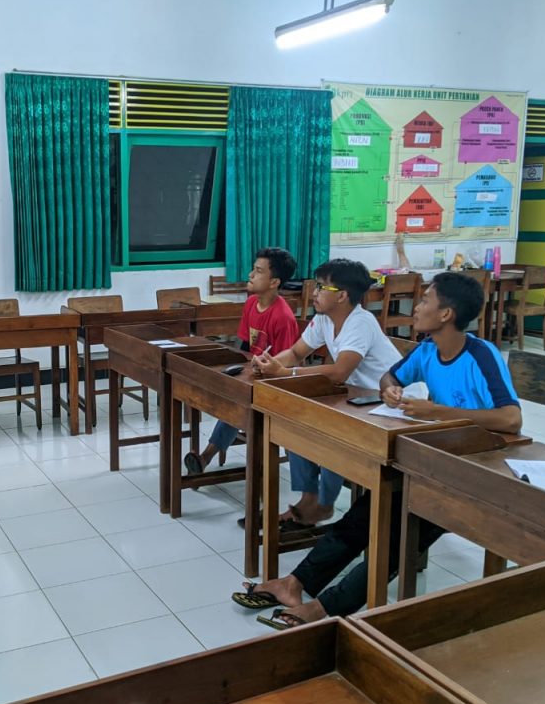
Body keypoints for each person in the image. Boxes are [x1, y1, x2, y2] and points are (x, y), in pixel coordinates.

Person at [234, 270, 521, 627]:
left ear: (446, 314)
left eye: (425, 301)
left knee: (396, 539)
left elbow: (511, 419)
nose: (417, 308)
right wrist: (390, 390)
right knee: (363, 515)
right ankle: (294, 584)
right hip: (435, 459)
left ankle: (324, 609)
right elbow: (391, 375)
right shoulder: (428, 350)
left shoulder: (481, 354)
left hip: (478, 471)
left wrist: (436, 411)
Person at [251, 258, 401, 528]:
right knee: (293, 422)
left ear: (342, 296)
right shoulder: (324, 318)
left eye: (322, 287)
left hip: (385, 405)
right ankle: (309, 497)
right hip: (356, 399)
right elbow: (296, 352)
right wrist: (268, 362)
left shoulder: (360, 322)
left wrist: (285, 374)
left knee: (330, 432)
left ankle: (323, 504)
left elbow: (340, 371)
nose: (315, 292)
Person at [183, 247, 299, 477]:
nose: (250, 275)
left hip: (274, 382)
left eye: (258, 271)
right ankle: (206, 457)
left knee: (238, 404)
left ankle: (206, 457)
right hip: (252, 374)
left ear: (274, 282)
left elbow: (286, 363)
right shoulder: (251, 303)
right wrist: (239, 369)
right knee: (229, 394)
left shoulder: (282, 316)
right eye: (253, 269)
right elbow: (245, 345)